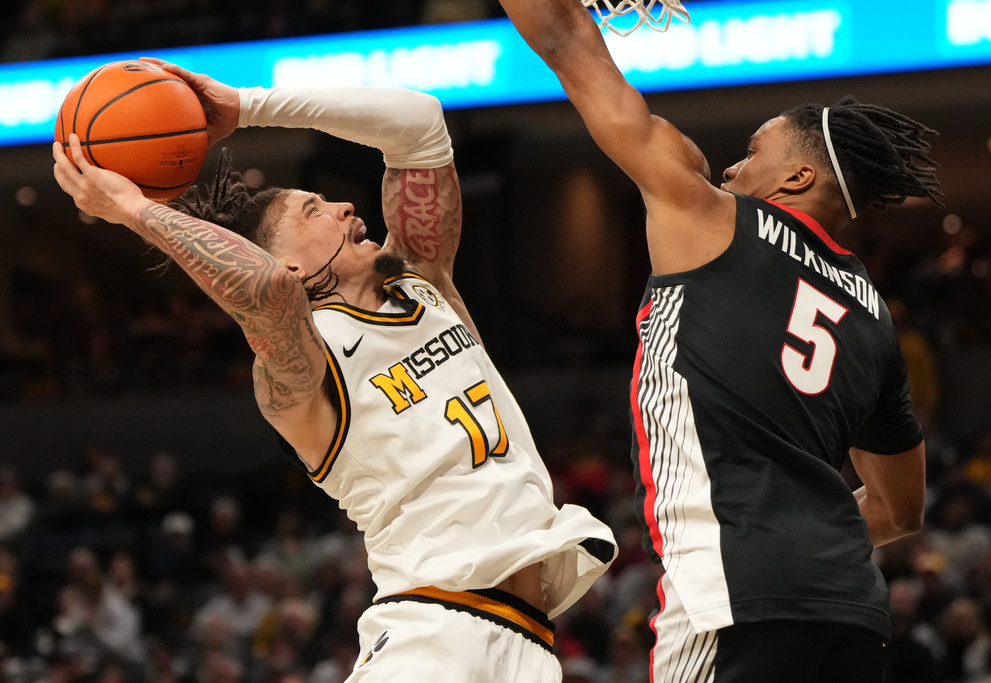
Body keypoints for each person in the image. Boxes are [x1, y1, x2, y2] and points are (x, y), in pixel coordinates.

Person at [52, 58, 617, 682]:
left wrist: (248, 105)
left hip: (526, 641)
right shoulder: (301, 367)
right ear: (293, 265)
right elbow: (264, 287)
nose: (347, 206)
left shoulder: (424, 284)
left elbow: (420, 123)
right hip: (434, 635)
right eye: (314, 209)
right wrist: (134, 209)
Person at [495, 1, 939, 681]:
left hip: (734, 591)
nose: (730, 169)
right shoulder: (875, 314)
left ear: (798, 179)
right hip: (852, 611)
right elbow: (899, 508)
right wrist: (812, 543)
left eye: (753, 152)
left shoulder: (709, 215)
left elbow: (563, 37)